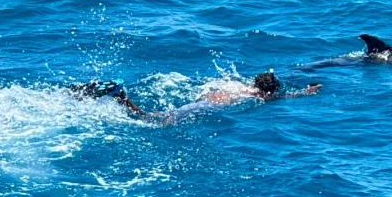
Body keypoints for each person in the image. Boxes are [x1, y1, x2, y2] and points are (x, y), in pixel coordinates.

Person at [70, 71, 320, 121]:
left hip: (206, 99)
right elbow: (281, 98)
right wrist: (305, 94)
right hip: (206, 107)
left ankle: (119, 96)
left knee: (160, 115)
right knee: (153, 120)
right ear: (270, 92)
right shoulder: (257, 97)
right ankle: (120, 96)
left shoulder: (236, 85)